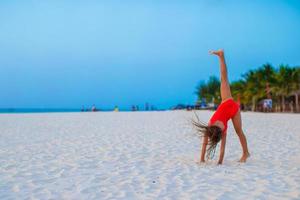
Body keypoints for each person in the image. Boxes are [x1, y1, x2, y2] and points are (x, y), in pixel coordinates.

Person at [193, 49, 250, 165]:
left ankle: (221, 55)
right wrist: (215, 161)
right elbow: (217, 147)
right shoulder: (211, 126)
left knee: (239, 132)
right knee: (223, 77)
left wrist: (204, 159)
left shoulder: (220, 130)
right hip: (230, 104)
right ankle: (246, 153)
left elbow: (216, 147)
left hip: (230, 104)